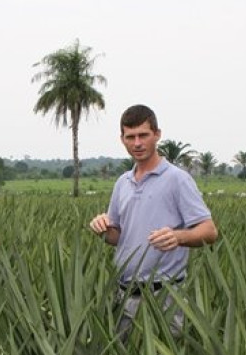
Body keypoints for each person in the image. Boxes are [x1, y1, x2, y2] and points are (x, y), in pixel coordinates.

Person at [89, 105, 218, 335]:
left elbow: (209, 231)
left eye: (143, 135)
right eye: (131, 137)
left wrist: (179, 236)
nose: (137, 143)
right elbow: (118, 237)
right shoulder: (122, 182)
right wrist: (103, 228)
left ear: (157, 135)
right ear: (122, 139)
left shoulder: (177, 179)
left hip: (165, 298)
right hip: (124, 296)